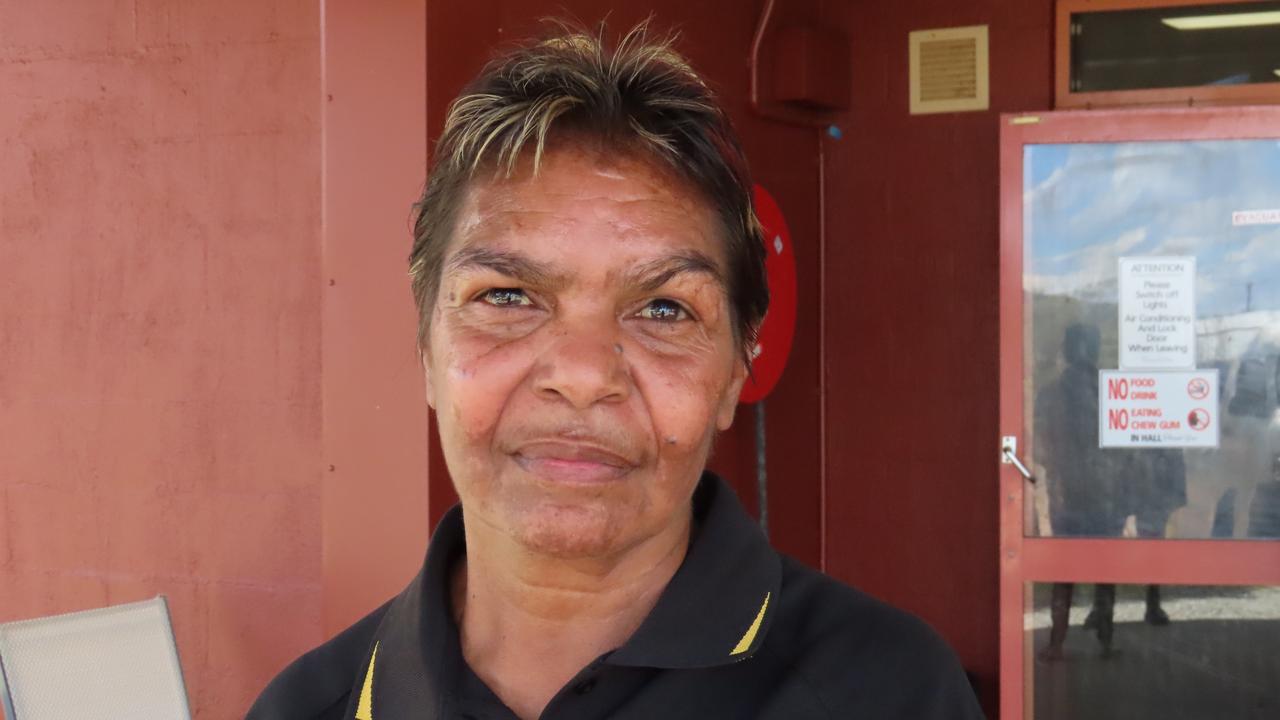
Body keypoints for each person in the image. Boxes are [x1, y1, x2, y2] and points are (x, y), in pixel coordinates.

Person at [248, 21, 982, 720]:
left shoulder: (891, 691)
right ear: (427, 351)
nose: (581, 372)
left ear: (734, 370)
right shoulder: (310, 706)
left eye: (663, 309)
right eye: (507, 297)